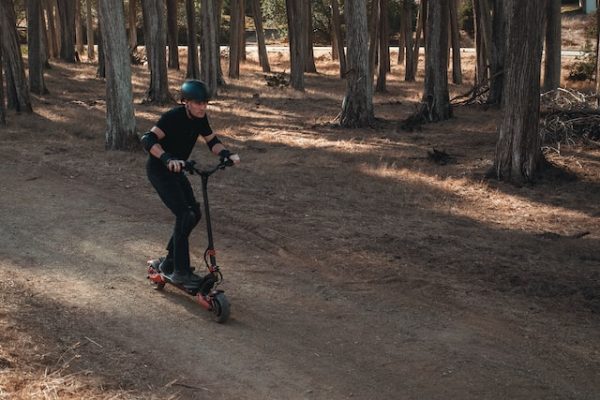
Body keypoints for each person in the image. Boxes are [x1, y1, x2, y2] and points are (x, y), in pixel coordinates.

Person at [141, 80, 239, 288]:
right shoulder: (172, 117)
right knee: (184, 215)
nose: (202, 107)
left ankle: (169, 262)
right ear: (186, 102)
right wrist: (167, 158)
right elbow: (147, 139)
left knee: (194, 213)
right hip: (160, 170)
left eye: (205, 103)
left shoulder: (200, 119)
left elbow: (212, 141)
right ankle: (180, 272)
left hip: (178, 170)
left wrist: (225, 154)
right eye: (198, 103)